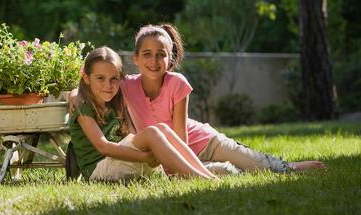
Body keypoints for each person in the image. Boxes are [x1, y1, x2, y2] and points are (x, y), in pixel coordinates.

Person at [118, 23, 325, 173]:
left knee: (259, 165)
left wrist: (178, 167)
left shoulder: (176, 83)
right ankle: (228, 169)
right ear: (135, 58)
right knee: (228, 172)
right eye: (146, 54)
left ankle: (290, 166)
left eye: (160, 54)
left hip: (205, 142)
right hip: (171, 156)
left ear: (170, 59)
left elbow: (181, 139)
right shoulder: (126, 86)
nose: (154, 61)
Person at [69, 46, 219, 181]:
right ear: (86, 78)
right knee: (152, 132)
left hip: (119, 161)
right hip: (98, 169)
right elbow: (104, 147)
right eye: (100, 78)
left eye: (114, 79)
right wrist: (143, 156)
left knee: (162, 128)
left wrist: (149, 150)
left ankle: (207, 175)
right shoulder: (83, 107)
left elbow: (130, 136)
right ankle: (197, 178)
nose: (108, 86)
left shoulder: (114, 102)